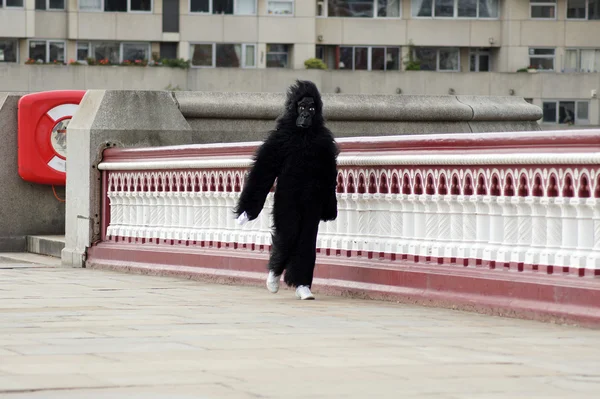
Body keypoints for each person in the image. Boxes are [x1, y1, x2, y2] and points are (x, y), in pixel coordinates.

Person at [234, 80, 339, 300]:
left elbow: (330, 176)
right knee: (286, 236)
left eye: (311, 109)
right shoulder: (281, 138)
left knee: (307, 240)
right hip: (287, 198)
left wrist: (329, 206)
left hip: (313, 199)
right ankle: (275, 269)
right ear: (294, 108)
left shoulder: (323, 140)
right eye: (302, 108)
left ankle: (303, 284)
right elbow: (262, 173)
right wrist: (249, 208)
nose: (306, 113)